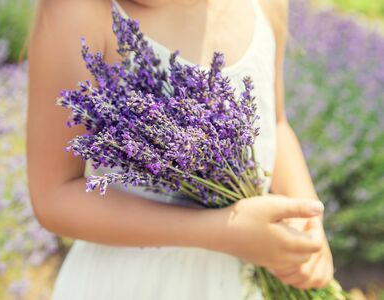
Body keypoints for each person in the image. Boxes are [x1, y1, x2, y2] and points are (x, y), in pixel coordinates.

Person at [26, 0, 334, 299]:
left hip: (238, 280)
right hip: (132, 283)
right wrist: (219, 232)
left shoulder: (264, 5)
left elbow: (275, 124)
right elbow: (54, 196)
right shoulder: (79, 11)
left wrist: (306, 217)